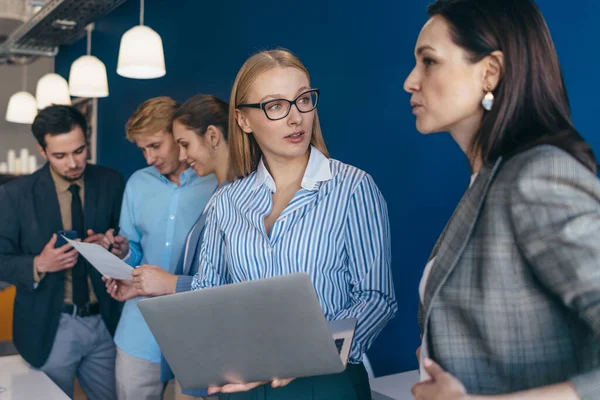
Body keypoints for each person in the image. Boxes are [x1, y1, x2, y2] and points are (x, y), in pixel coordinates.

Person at [404, 1, 600, 399]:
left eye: (429, 62)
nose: (410, 81)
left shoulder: (538, 178)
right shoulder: (487, 182)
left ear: (490, 71)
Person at [190, 49, 397, 400]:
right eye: (275, 106)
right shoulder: (225, 202)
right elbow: (205, 291)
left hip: (326, 382)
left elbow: (376, 298)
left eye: (303, 100)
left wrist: (309, 354)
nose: (295, 118)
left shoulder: (353, 188)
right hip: (243, 385)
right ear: (243, 120)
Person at [104, 94, 230, 400]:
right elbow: (134, 247)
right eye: (142, 149)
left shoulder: (218, 181)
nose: (149, 158)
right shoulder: (137, 183)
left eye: (155, 145)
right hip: (139, 331)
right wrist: (122, 251)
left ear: (177, 135)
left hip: (199, 332)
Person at [0, 105, 124, 399]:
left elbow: (123, 238)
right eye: (60, 155)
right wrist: (38, 264)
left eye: (79, 151)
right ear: (42, 151)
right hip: (50, 325)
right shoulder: (15, 195)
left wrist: (117, 246)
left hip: (105, 321)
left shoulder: (111, 181)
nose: (73, 162)